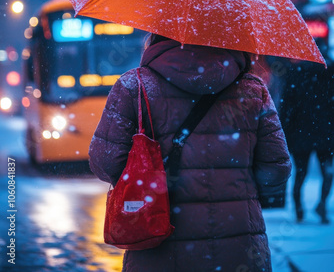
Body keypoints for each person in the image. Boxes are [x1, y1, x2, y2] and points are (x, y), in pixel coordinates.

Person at [89, 34, 292, 272]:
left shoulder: (134, 86)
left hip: (158, 242)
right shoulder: (253, 90)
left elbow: (104, 162)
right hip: (239, 248)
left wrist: (149, 175)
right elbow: (276, 170)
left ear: (158, 31)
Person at [279, 59, 334, 224]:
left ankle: (298, 209)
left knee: (300, 173)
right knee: (327, 172)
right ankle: (322, 205)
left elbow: (286, 107)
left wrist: (285, 135)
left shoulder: (295, 74)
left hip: (300, 133)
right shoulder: (329, 74)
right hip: (326, 133)